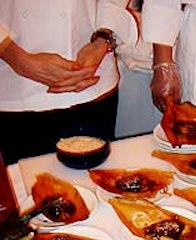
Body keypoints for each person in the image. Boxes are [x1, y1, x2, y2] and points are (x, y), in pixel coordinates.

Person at [0, 1, 139, 165]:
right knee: (29, 184)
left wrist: (103, 39)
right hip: (18, 89)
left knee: (101, 182)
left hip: (93, 81)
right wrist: (17, 58)